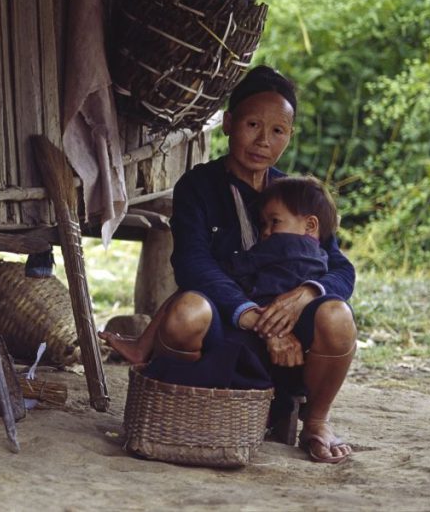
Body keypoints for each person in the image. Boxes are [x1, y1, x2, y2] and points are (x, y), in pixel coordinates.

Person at [101, 65, 357, 464]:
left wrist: (306, 295)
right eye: (253, 124)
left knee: (337, 316)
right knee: (186, 312)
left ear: (289, 136)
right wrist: (252, 316)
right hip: (226, 325)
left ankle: (316, 421)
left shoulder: (297, 194)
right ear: (228, 122)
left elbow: (340, 267)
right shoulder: (198, 187)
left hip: (293, 334)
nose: (263, 141)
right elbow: (192, 264)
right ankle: (189, 413)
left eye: (278, 131)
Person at [227, 175, 337, 311]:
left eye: (275, 221)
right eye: (264, 224)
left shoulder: (281, 243)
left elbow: (239, 266)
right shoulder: (323, 256)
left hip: (264, 308)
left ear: (310, 225)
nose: (266, 231)